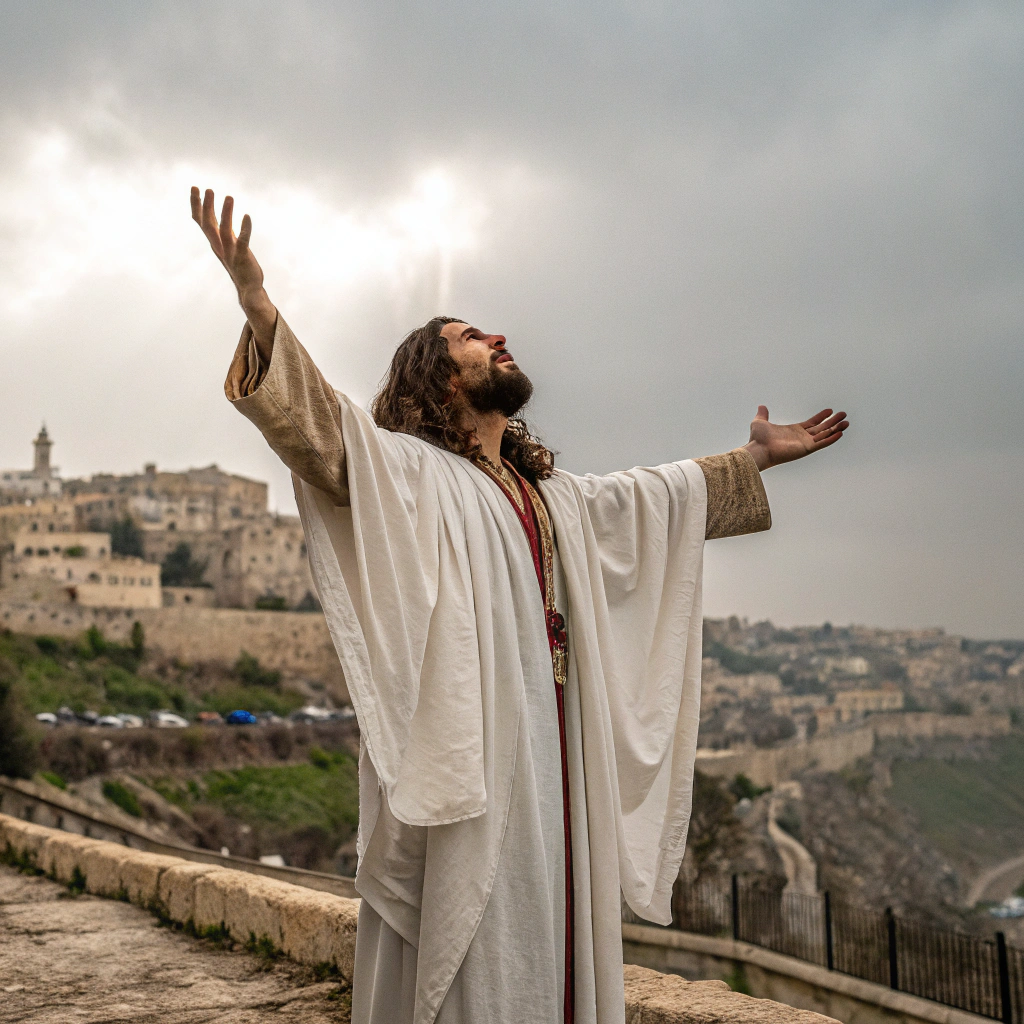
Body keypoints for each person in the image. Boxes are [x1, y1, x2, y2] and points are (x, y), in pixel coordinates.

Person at [191, 187, 848, 1024]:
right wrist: (259, 308)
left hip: (558, 758)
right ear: (436, 376)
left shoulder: (553, 497)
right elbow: (323, 432)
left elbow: (653, 500)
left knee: (557, 942)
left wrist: (753, 458)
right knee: (477, 950)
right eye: (470, 337)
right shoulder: (412, 473)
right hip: (481, 757)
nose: (497, 337)